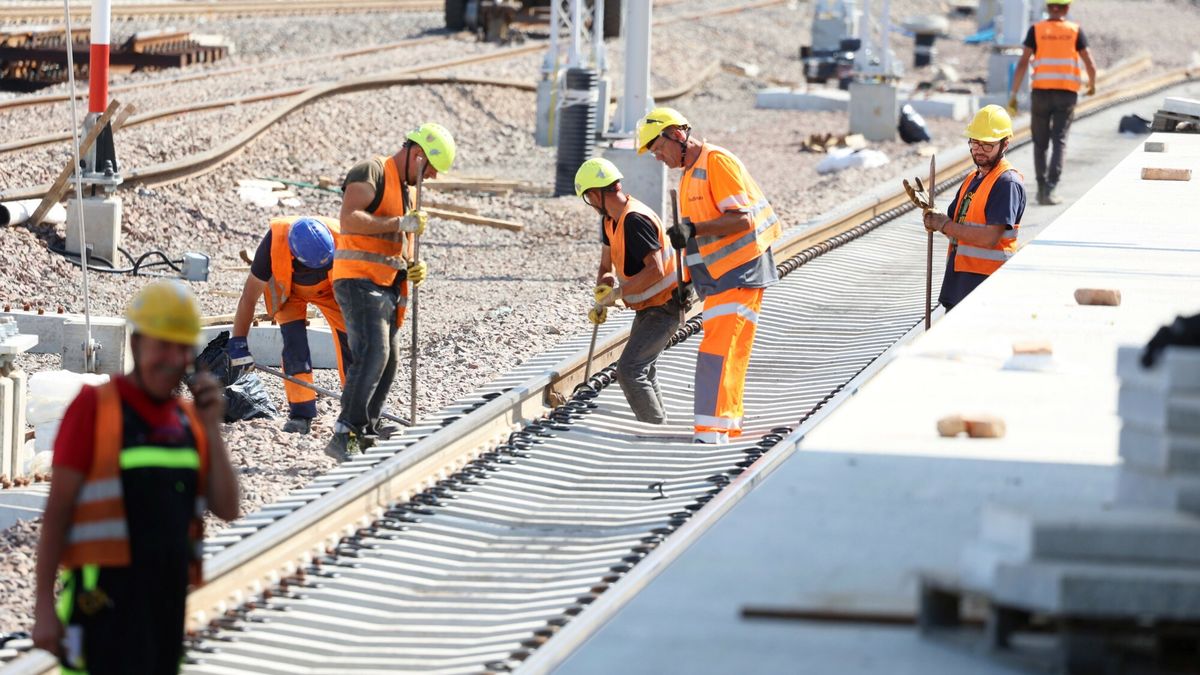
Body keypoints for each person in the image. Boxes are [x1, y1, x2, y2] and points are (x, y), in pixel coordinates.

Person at [31, 280, 240, 674]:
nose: (172, 358)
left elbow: (227, 508)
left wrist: (213, 429)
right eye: (162, 344)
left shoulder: (189, 422)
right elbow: (57, 511)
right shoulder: (96, 408)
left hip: (164, 607)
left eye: (182, 348)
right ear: (137, 343)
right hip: (100, 606)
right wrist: (44, 606)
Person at [637, 107, 782, 444]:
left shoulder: (716, 162)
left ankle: (710, 430)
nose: (657, 157)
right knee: (730, 350)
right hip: (719, 277)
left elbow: (742, 220)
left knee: (717, 349)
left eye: (657, 148)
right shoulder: (690, 175)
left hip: (739, 271)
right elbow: (698, 243)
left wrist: (692, 228)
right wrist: (685, 282)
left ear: (676, 134)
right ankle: (725, 425)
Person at [325, 122, 455, 461]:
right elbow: (350, 218)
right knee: (373, 354)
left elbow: (397, 243)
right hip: (357, 279)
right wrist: (400, 224)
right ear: (419, 157)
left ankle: (364, 433)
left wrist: (411, 264)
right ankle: (345, 435)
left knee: (389, 361)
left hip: (385, 285)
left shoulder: (406, 191)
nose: (434, 179)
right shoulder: (372, 171)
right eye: (433, 170)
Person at [575, 157, 688, 424]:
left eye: (588, 198)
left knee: (629, 370)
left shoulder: (634, 220)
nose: (590, 205)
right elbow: (606, 264)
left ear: (594, 194)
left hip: (667, 305)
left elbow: (656, 270)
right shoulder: (610, 220)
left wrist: (618, 294)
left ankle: (654, 430)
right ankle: (658, 423)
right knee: (643, 369)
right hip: (650, 306)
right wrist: (603, 291)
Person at [227, 216, 350, 436]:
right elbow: (248, 297)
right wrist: (238, 343)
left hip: (332, 290)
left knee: (353, 344)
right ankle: (300, 414)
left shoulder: (344, 240)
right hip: (288, 293)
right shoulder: (272, 244)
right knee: (295, 347)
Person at [923, 105, 1027, 310]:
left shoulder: (1007, 183)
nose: (979, 150)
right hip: (960, 284)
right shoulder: (973, 177)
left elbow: (990, 238)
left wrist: (944, 225)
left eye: (988, 144)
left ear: (1005, 144)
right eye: (975, 142)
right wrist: (935, 221)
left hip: (986, 288)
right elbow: (957, 227)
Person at [1008, 0, 1097, 205]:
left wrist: (1013, 95)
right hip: (1066, 94)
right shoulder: (1075, 31)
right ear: (1067, 8)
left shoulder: (1036, 30)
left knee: (1040, 142)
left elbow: (1022, 63)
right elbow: (1090, 63)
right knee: (1059, 140)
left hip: (1040, 93)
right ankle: (1051, 188)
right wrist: (1092, 84)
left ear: (1048, 8)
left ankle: (1040, 188)